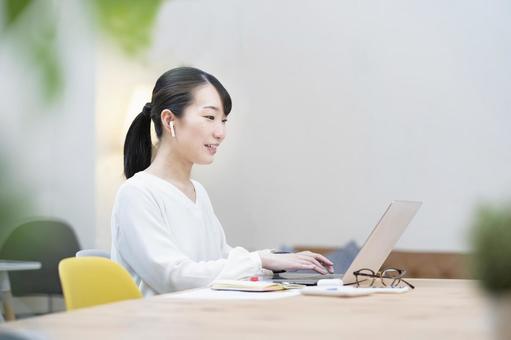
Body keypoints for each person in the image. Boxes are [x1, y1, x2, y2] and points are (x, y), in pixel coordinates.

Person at [111, 67, 334, 296]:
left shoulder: (197, 191)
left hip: (201, 321)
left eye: (223, 120)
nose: (221, 133)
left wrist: (273, 260)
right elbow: (173, 276)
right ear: (170, 120)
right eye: (210, 117)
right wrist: (257, 261)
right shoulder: (137, 193)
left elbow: (218, 258)